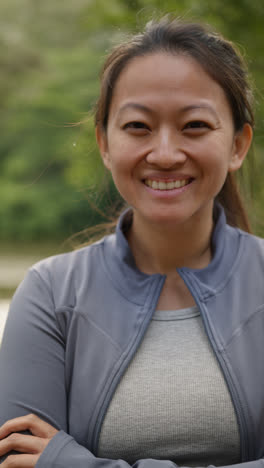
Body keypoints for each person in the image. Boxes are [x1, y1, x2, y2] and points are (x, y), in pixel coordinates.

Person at [0, 14, 263, 468]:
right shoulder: (51, 293)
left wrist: (74, 463)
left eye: (195, 126)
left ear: (238, 145)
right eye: (138, 126)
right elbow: (14, 460)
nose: (164, 153)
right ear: (104, 143)